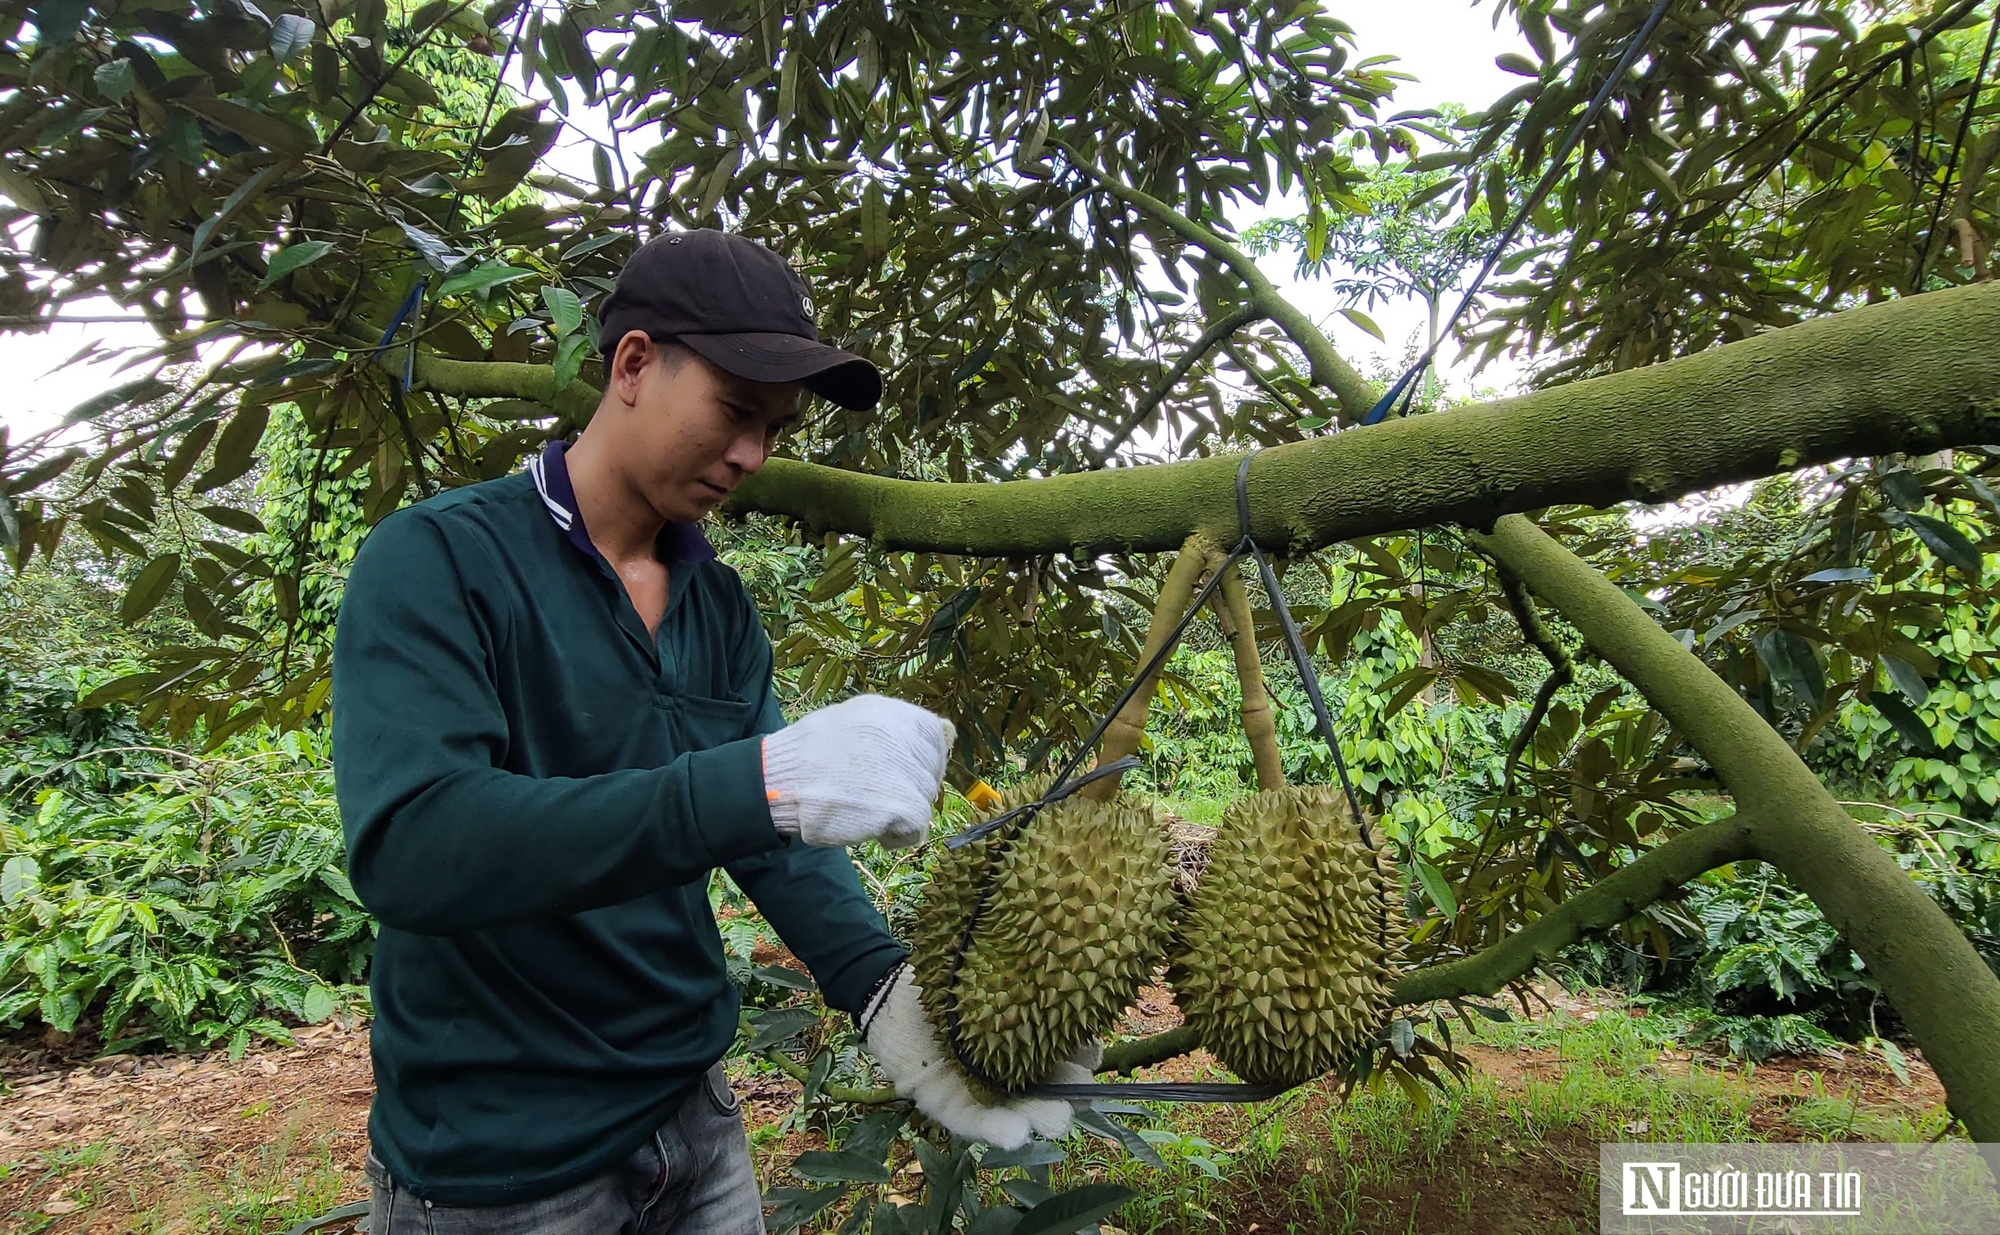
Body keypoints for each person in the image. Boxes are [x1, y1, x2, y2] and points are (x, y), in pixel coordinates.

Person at [331, 229, 1082, 1235]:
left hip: (692, 1125)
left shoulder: (715, 604)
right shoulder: (437, 561)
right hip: (501, 1163)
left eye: (775, 428)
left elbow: (775, 836)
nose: (751, 456)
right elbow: (416, 846)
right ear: (634, 364)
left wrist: (884, 991)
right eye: (734, 412)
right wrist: (749, 785)